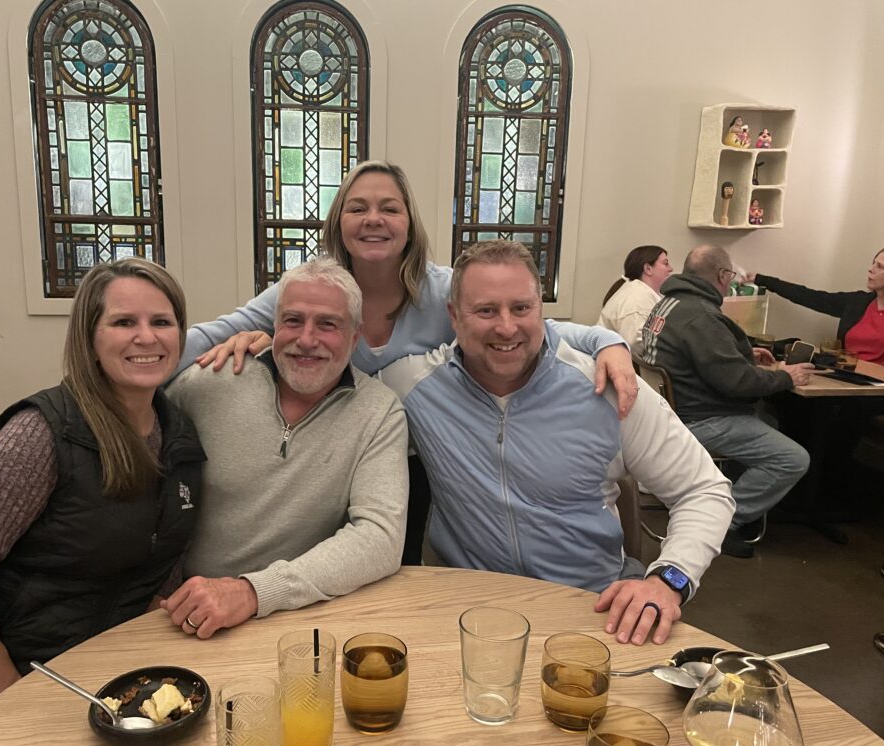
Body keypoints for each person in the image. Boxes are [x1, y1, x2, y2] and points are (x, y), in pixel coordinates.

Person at [178, 160, 638, 565]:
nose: (373, 219)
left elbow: (524, 326)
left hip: (421, 463)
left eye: (389, 208)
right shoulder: (313, 291)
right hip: (327, 458)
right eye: (358, 208)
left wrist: (606, 340)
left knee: (389, 571)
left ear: (409, 223)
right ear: (338, 222)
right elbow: (207, 335)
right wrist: (131, 361)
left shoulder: (443, 290)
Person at [0, 259, 205, 731]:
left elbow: (163, 558)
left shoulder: (180, 438)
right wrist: (16, 704)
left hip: (64, 676)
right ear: (89, 338)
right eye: (124, 321)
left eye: (161, 322)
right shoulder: (42, 432)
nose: (146, 337)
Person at [379, 240, 735, 646]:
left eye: (521, 308)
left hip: (593, 610)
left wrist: (668, 579)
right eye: (485, 310)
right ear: (454, 317)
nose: (507, 327)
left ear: (541, 311)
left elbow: (704, 488)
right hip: (467, 612)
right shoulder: (413, 386)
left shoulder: (607, 387)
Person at [160, 260, 408, 639]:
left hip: (301, 617)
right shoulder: (210, 382)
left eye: (328, 324)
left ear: (355, 337)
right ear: (272, 327)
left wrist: (253, 592)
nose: (306, 339)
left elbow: (379, 539)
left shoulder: (379, 412)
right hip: (186, 610)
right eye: (293, 321)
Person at [641, 245, 813, 558]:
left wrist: (744, 353)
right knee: (792, 458)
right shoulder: (702, 316)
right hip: (701, 419)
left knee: (771, 421)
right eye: (730, 276)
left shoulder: (669, 303)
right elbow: (738, 383)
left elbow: (706, 358)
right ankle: (719, 521)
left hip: (673, 412)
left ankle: (720, 500)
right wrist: (788, 376)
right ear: (722, 276)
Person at [746, 247, 884, 364]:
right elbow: (811, 297)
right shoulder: (858, 302)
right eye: (873, 263)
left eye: (880, 266)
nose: (871, 269)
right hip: (848, 377)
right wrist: (762, 280)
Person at [598, 245, 673, 354]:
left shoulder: (639, 292)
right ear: (648, 269)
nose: (671, 268)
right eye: (665, 263)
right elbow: (635, 344)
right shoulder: (636, 299)